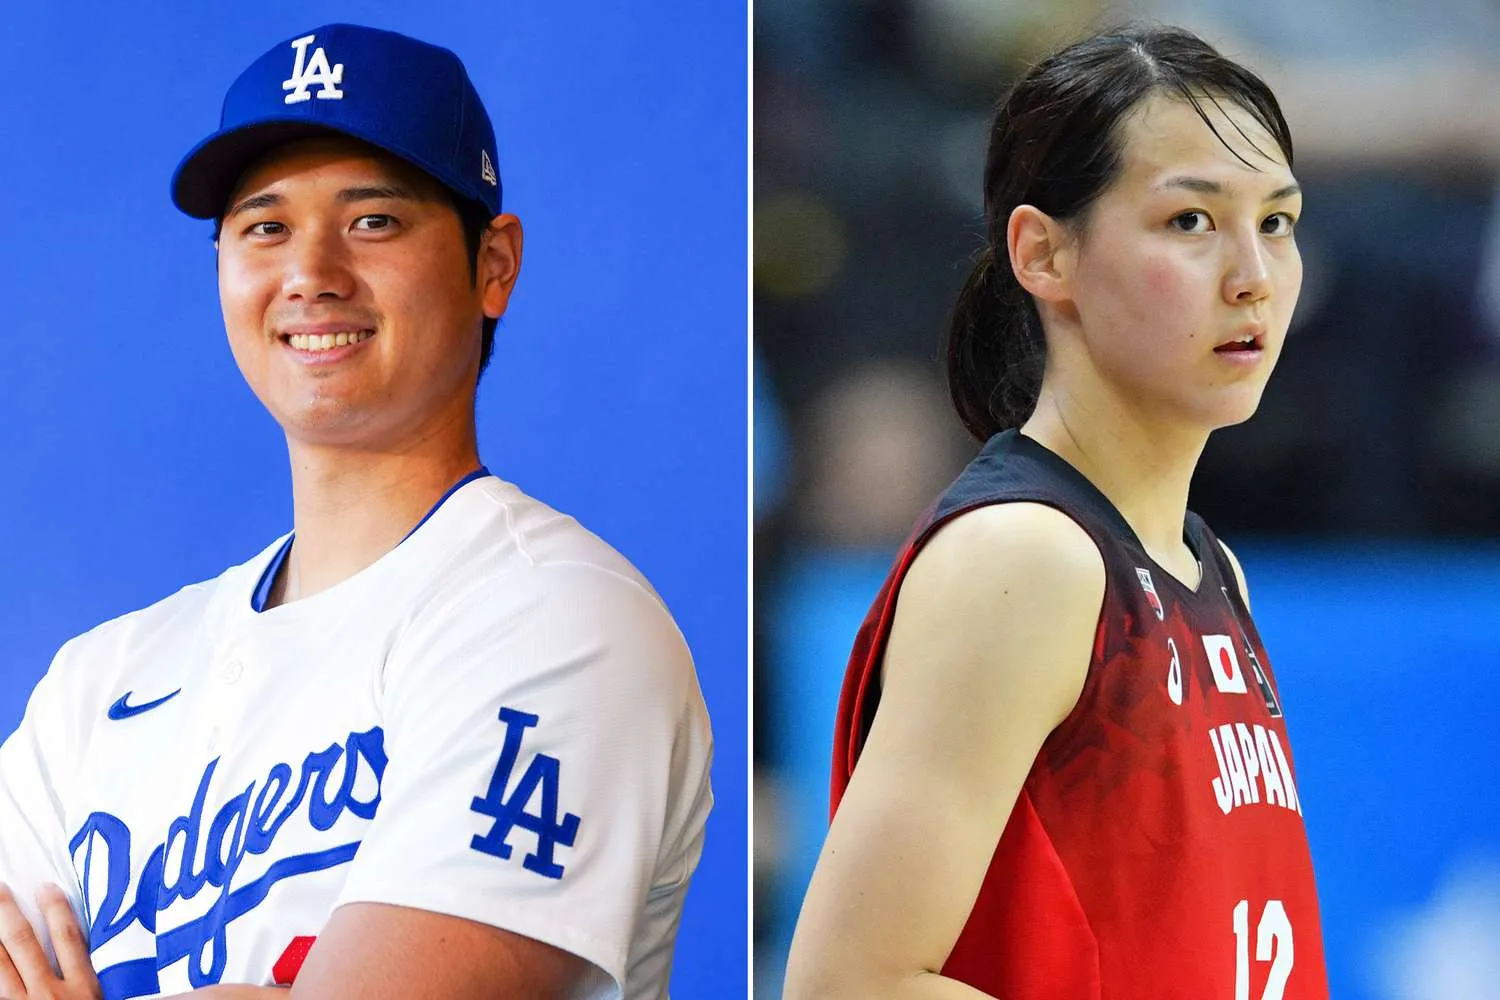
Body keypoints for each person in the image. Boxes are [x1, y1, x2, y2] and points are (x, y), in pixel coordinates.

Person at [0, 23, 712, 1000]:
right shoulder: (95, 687)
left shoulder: (557, 616)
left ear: (492, 264)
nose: (312, 272)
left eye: (373, 220)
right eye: (264, 226)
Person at [783, 25, 1327, 1000]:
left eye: (1277, 222)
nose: (1252, 273)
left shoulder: (1210, 567)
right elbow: (849, 982)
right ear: (1043, 253)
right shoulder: (1027, 559)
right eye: (1192, 222)